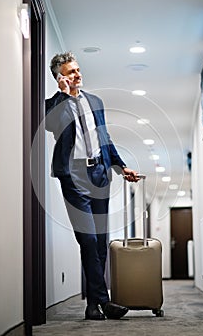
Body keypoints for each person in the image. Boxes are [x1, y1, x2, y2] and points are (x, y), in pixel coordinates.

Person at [45, 52, 140, 320]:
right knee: (86, 239)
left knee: (100, 241)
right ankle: (103, 301)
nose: (77, 75)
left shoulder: (95, 101)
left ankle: (93, 305)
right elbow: (49, 124)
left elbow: (105, 138)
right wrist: (63, 96)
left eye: (77, 70)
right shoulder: (55, 104)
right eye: (70, 72)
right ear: (60, 77)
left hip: (99, 173)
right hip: (73, 175)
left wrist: (121, 167)